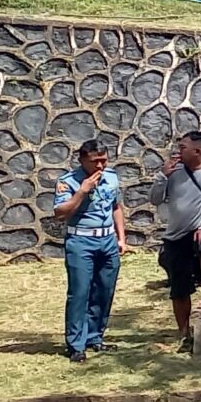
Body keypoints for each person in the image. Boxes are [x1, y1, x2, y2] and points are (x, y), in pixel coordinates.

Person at [153, 131, 201, 352]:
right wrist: (162, 177)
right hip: (176, 233)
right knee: (179, 286)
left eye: (183, 147)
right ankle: (184, 332)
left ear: (198, 150)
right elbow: (155, 199)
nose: (178, 151)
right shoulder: (174, 172)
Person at [52, 139, 126, 362]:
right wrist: (82, 192)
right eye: (95, 161)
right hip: (81, 240)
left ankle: (95, 337)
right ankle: (76, 344)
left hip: (107, 240)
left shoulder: (111, 177)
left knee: (104, 291)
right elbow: (60, 213)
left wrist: (121, 238)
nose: (100, 166)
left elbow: (116, 207)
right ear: (82, 160)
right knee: (80, 293)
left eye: (104, 160)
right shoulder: (68, 181)